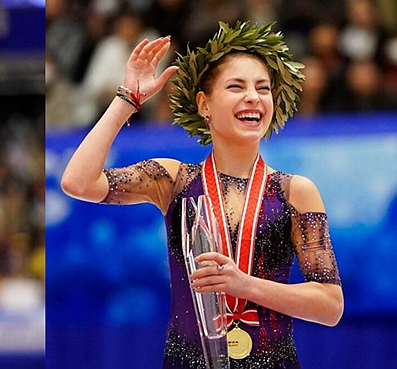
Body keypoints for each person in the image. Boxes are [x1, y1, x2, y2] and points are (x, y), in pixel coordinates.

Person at [61, 21, 343, 369]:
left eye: (263, 88)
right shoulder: (173, 180)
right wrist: (127, 100)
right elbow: (78, 182)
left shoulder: (294, 191)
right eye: (236, 86)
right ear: (204, 104)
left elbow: (330, 305)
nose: (253, 97)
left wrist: (246, 286)